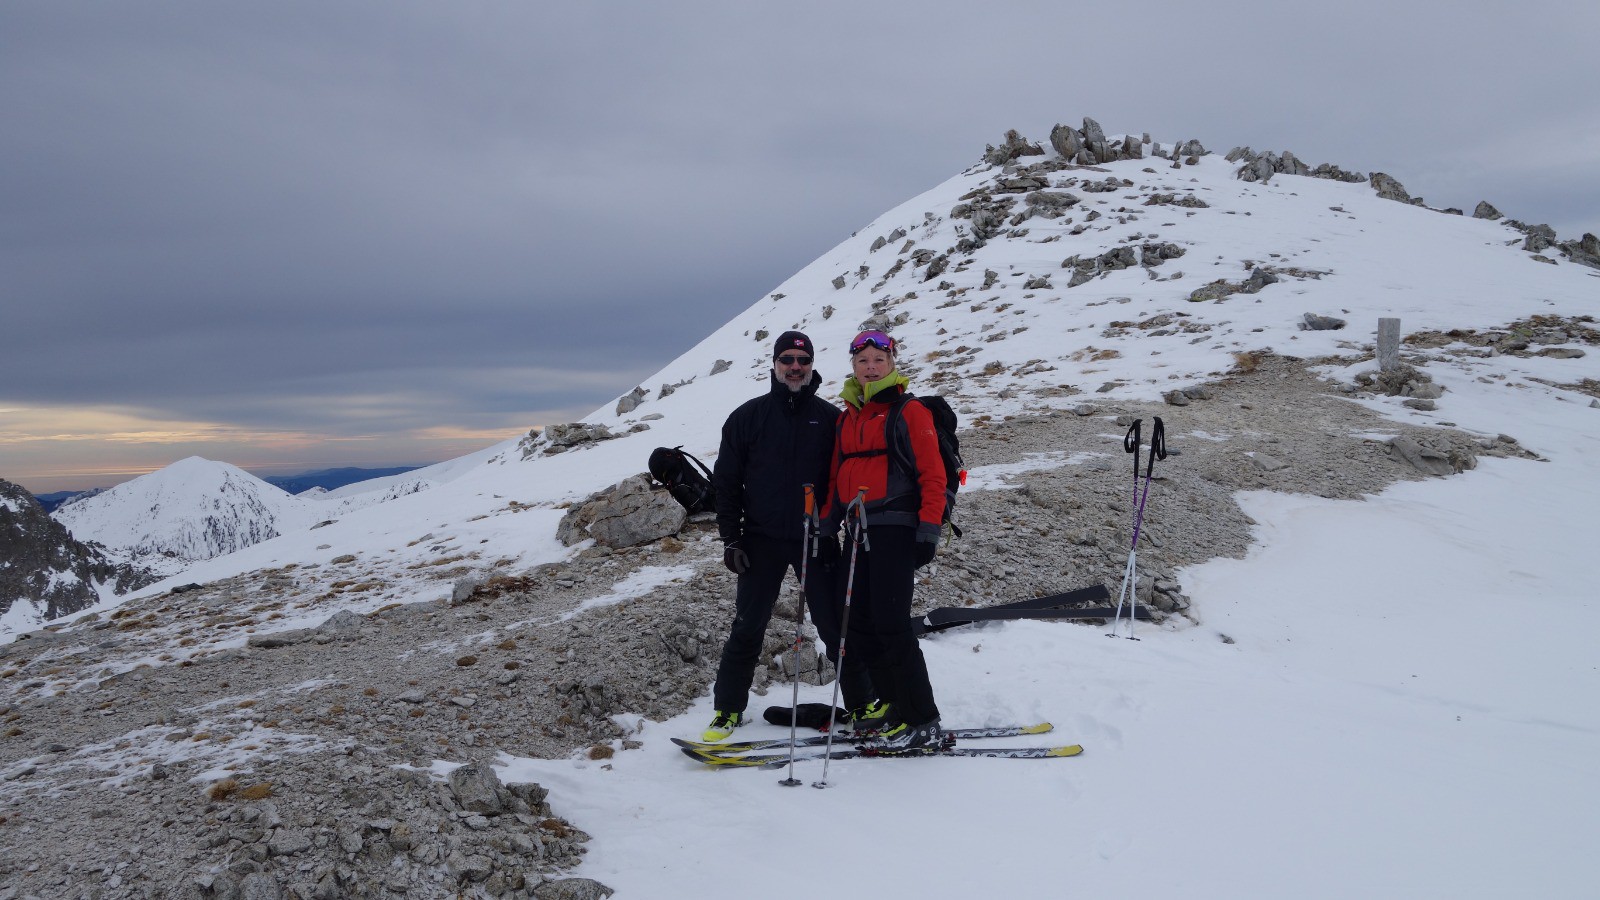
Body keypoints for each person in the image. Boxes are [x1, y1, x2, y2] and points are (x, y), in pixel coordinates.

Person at [703, 331, 877, 742]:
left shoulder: (832, 419)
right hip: (759, 539)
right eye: (787, 359)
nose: (795, 367)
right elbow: (726, 483)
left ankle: (863, 702)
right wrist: (732, 539)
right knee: (748, 625)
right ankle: (728, 709)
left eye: (802, 360)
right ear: (775, 364)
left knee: (836, 626)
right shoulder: (747, 417)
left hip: (815, 539)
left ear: (812, 366)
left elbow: (843, 480)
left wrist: (831, 525)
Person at [822, 329, 947, 751]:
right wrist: (825, 524)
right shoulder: (847, 417)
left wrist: (929, 529)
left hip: (896, 528)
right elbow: (837, 475)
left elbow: (933, 473)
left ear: (892, 362)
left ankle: (922, 716)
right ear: (853, 367)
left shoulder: (909, 411)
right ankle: (892, 702)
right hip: (856, 531)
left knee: (892, 623)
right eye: (863, 361)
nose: (871, 366)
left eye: (879, 359)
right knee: (856, 620)